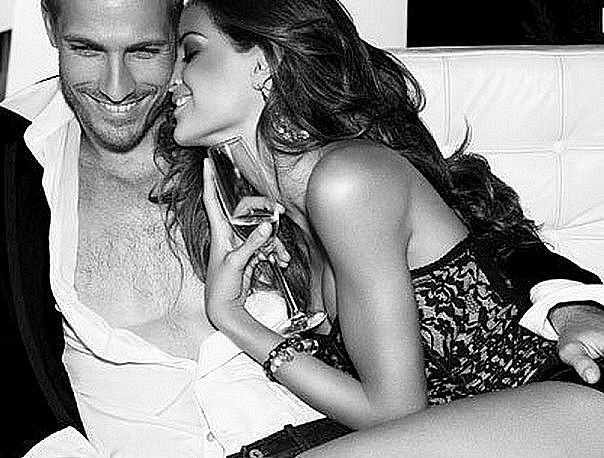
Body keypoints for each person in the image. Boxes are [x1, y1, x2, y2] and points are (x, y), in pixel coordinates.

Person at [0, 0, 602, 456]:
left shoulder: (344, 177)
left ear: (263, 63)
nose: (126, 85)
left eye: (179, 51)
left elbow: (479, 226)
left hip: (557, 406)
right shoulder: (274, 198)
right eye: (87, 49)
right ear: (52, 31)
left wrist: (569, 302)